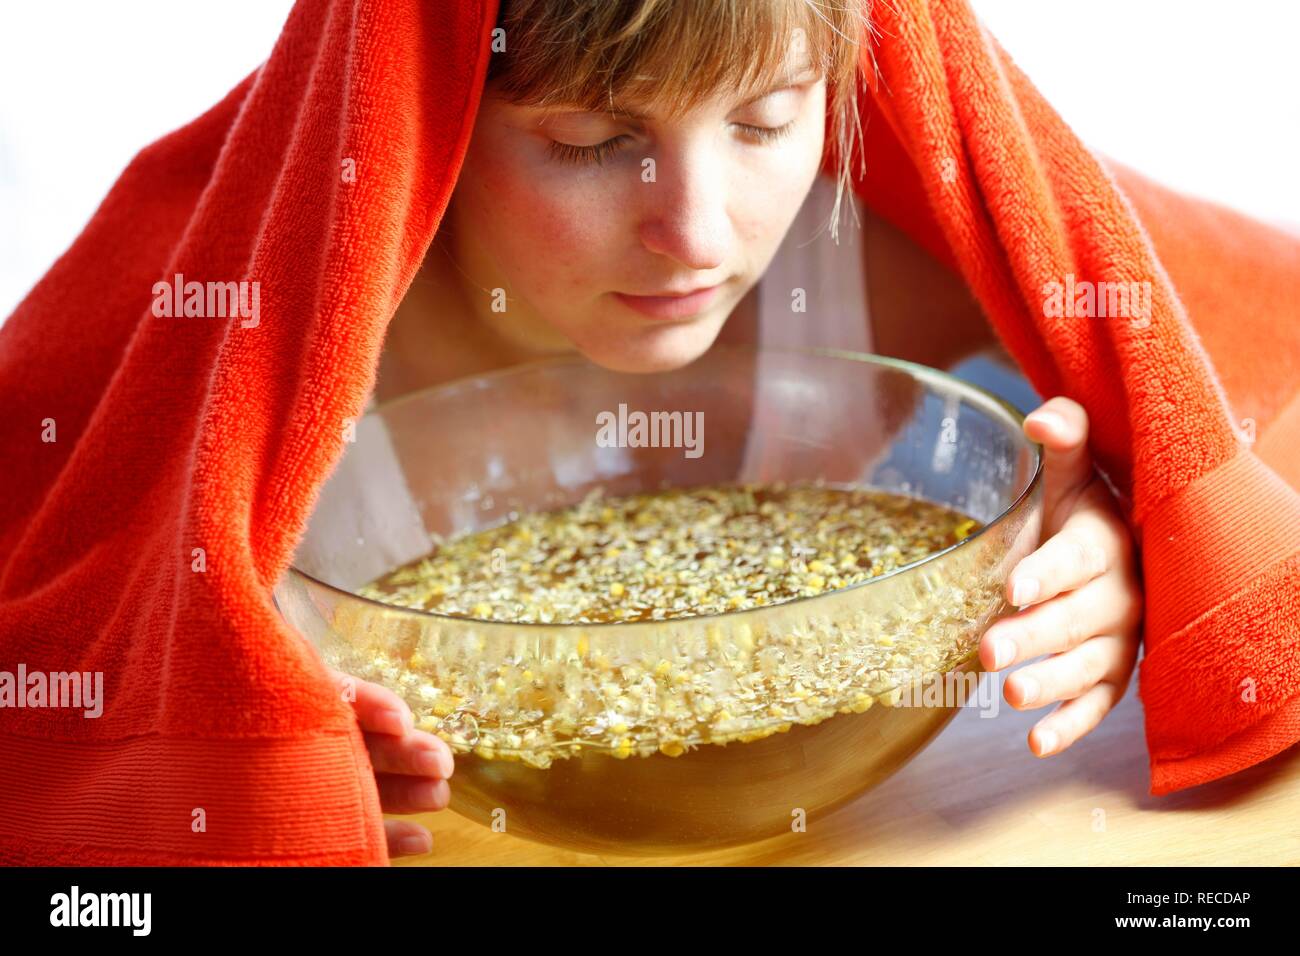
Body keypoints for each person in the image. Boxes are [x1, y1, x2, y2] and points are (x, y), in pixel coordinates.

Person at [355, 0, 1142, 859]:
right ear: (423, 105)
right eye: (591, 138)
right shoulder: (280, 357)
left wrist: (1130, 520)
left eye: (765, 120)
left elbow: (1222, 379)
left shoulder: (883, 262)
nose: (696, 235)